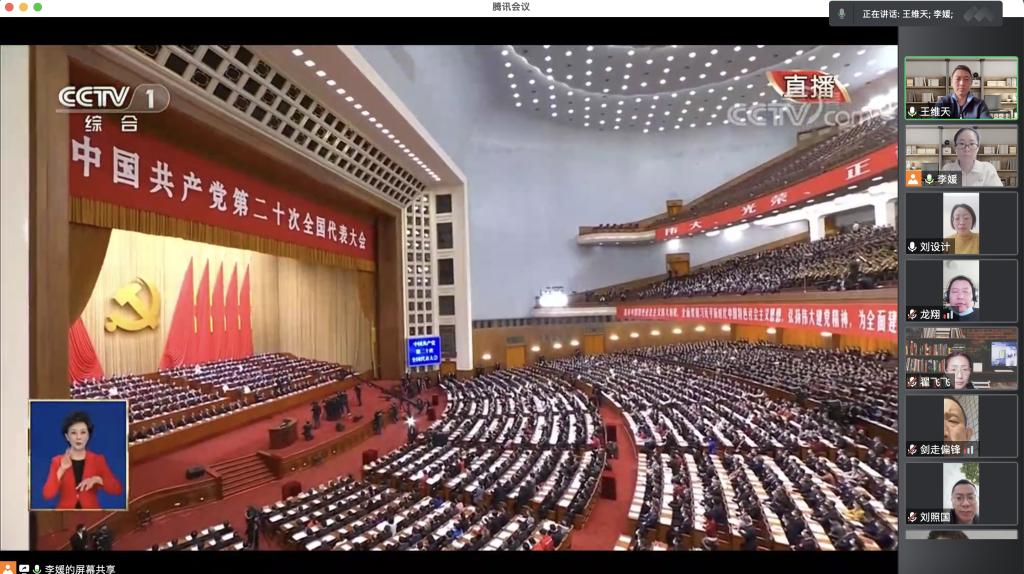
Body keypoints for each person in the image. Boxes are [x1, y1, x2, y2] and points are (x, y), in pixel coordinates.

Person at [42, 411, 123, 510]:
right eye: (73, 433)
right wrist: (62, 469)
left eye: (83, 432)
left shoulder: (98, 460)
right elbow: (47, 495)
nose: (78, 437)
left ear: (88, 435)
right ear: (67, 437)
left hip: (91, 512)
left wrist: (97, 479)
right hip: (65, 513)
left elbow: (117, 489)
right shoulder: (57, 461)